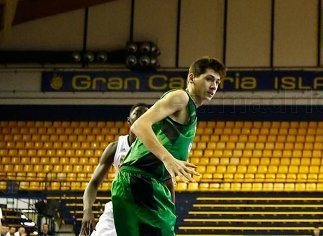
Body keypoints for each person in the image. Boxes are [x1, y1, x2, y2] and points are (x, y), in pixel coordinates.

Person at [111, 57, 225, 236]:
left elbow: (167, 171)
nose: (214, 85)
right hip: (138, 179)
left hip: (152, 183)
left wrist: (170, 204)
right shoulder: (180, 97)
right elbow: (139, 126)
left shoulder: (192, 116)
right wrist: (168, 158)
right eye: (209, 79)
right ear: (192, 78)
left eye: (217, 82)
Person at [79, 103, 150, 236]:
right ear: (129, 120)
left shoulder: (155, 149)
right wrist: (87, 210)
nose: (141, 116)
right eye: (137, 113)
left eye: (146, 114)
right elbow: (93, 183)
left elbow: (168, 185)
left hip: (144, 209)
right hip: (118, 207)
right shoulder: (115, 147)